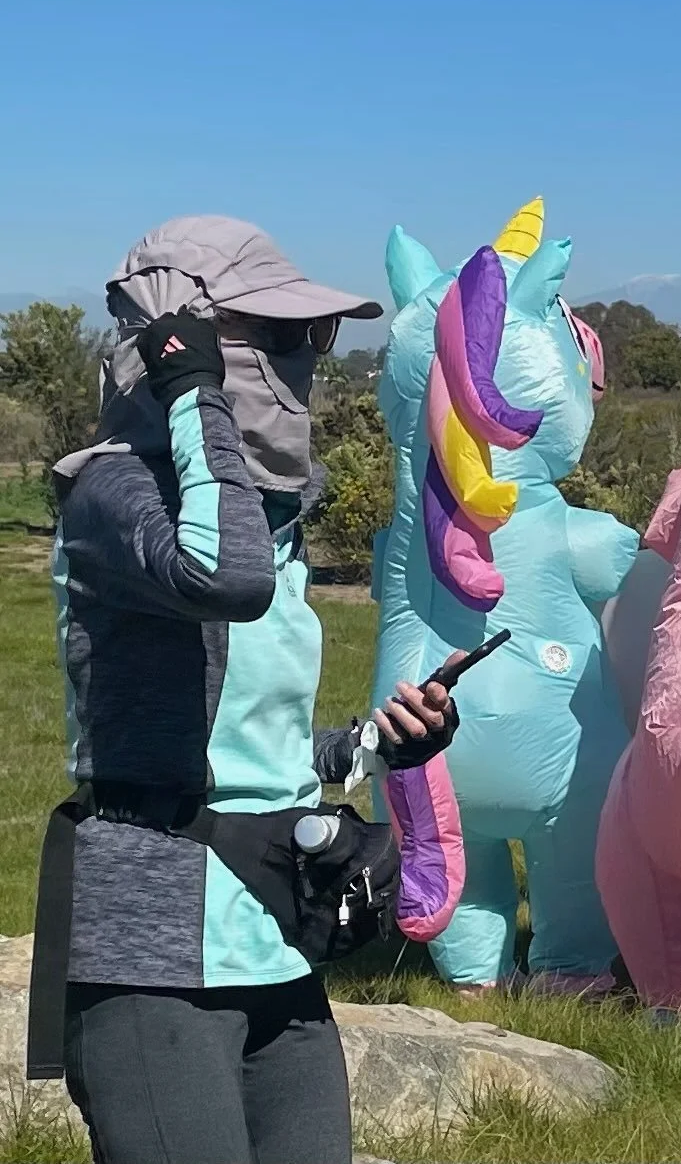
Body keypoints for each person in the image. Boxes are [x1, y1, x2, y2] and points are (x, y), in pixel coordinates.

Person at [30, 217, 461, 1164]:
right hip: (153, 955)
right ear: (177, 341)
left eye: (318, 337)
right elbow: (227, 578)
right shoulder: (115, 497)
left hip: (273, 938)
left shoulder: (263, 519)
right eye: (279, 336)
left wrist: (377, 745)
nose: (307, 358)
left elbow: (250, 751)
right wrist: (189, 384)